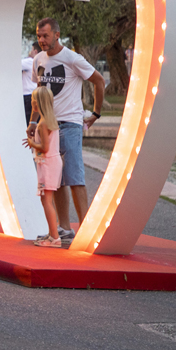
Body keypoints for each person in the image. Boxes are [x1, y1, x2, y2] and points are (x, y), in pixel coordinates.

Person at [33, 17, 105, 248]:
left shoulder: (72, 58)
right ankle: (64, 228)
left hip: (71, 124)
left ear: (56, 34)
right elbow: (39, 94)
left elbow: (99, 81)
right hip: (49, 125)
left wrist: (95, 113)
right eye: (38, 36)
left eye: (45, 35)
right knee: (56, 180)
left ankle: (86, 229)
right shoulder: (38, 60)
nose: (42, 40)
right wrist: (34, 122)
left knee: (74, 176)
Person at [23, 86, 63, 248]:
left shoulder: (43, 124)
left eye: (34, 99)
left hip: (47, 164)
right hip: (50, 163)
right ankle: (52, 233)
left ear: (39, 103)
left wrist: (32, 143)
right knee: (46, 200)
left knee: (46, 201)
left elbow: (44, 147)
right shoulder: (48, 120)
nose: (32, 102)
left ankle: (54, 237)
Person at [21, 45, 38, 125]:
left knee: (27, 121)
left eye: (31, 49)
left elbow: (14, 65)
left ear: (35, 51)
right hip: (36, 93)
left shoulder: (29, 61)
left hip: (27, 95)